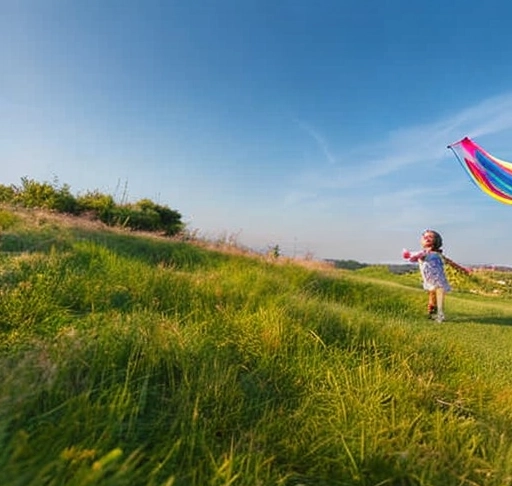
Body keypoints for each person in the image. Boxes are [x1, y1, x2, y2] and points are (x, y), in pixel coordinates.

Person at [402, 229, 469, 323]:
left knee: (437, 297)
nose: (427, 238)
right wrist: (408, 254)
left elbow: (450, 263)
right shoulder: (423, 253)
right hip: (430, 280)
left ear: (436, 241)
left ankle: (436, 314)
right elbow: (415, 257)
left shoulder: (438, 254)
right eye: (424, 237)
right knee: (433, 297)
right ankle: (434, 314)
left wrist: (462, 270)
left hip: (439, 280)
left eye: (430, 237)